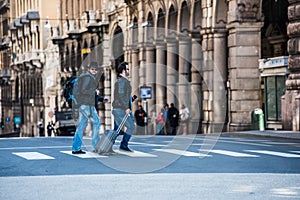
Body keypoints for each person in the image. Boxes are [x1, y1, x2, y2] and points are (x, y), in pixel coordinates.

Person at [71, 61, 102, 154]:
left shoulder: (86, 77)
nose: (94, 71)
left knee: (81, 126)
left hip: (83, 104)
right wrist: (94, 92)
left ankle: (76, 148)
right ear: (89, 69)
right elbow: (84, 91)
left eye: (96, 69)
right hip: (86, 105)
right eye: (92, 69)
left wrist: (100, 98)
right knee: (96, 122)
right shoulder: (88, 78)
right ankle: (96, 146)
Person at [112, 62, 136, 152]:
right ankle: (123, 145)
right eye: (127, 69)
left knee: (117, 129)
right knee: (131, 126)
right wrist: (126, 107)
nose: (128, 70)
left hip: (118, 108)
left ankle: (106, 145)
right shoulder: (122, 81)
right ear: (123, 70)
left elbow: (122, 96)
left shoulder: (122, 81)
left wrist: (131, 100)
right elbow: (121, 95)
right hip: (121, 109)